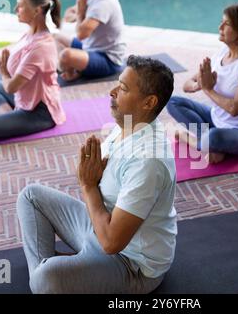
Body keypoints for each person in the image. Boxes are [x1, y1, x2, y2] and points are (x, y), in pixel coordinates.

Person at [17, 55, 177, 294]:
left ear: (148, 102)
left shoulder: (148, 160)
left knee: (46, 279)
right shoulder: (127, 126)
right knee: (30, 196)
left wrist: (88, 185)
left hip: (130, 263)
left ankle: (51, 274)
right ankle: (57, 271)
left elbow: (112, 243)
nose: (112, 92)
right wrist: (90, 177)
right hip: (98, 228)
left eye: (122, 88)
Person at [167, 3, 238, 164]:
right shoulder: (221, 54)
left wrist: (208, 89)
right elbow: (187, 84)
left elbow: (235, 109)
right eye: (222, 21)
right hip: (215, 119)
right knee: (173, 102)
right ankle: (210, 145)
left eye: (226, 24)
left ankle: (192, 140)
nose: (220, 26)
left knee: (213, 137)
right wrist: (199, 84)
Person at [0, 0, 66, 139]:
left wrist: (4, 73)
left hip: (38, 112)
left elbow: (11, 87)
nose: (16, 9)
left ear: (37, 10)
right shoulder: (29, 35)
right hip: (22, 97)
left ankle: (6, 116)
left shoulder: (41, 47)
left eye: (20, 6)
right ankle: (8, 115)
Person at [54, 0, 126, 81]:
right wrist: (81, 14)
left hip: (108, 59)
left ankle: (66, 71)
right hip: (89, 47)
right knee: (55, 37)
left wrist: (81, 14)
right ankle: (72, 67)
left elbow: (81, 35)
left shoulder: (103, 3)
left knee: (65, 56)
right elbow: (68, 15)